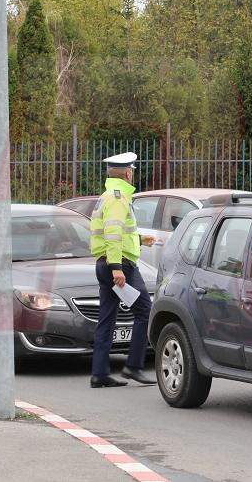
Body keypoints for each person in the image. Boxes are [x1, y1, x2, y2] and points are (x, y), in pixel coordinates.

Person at [88, 152, 157, 388]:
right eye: (132, 171)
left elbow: (114, 232)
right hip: (120, 265)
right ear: (128, 173)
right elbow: (113, 233)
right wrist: (117, 267)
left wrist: (138, 239)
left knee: (106, 319)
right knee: (145, 310)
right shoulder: (119, 198)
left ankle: (99, 374)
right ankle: (134, 366)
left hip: (104, 263)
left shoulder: (107, 196)